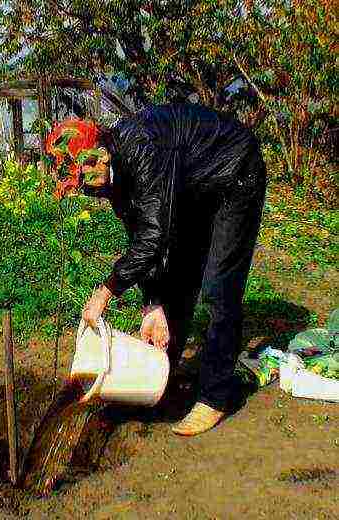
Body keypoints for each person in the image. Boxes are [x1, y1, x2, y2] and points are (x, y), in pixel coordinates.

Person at [46, 103, 267, 436]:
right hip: (195, 186)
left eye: (82, 182)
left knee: (219, 287)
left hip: (234, 172)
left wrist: (105, 292)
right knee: (179, 273)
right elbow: (143, 235)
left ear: (99, 157)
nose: (85, 191)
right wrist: (153, 304)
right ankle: (162, 372)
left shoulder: (144, 152)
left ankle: (216, 396)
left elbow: (153, 236)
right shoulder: (113, 174)